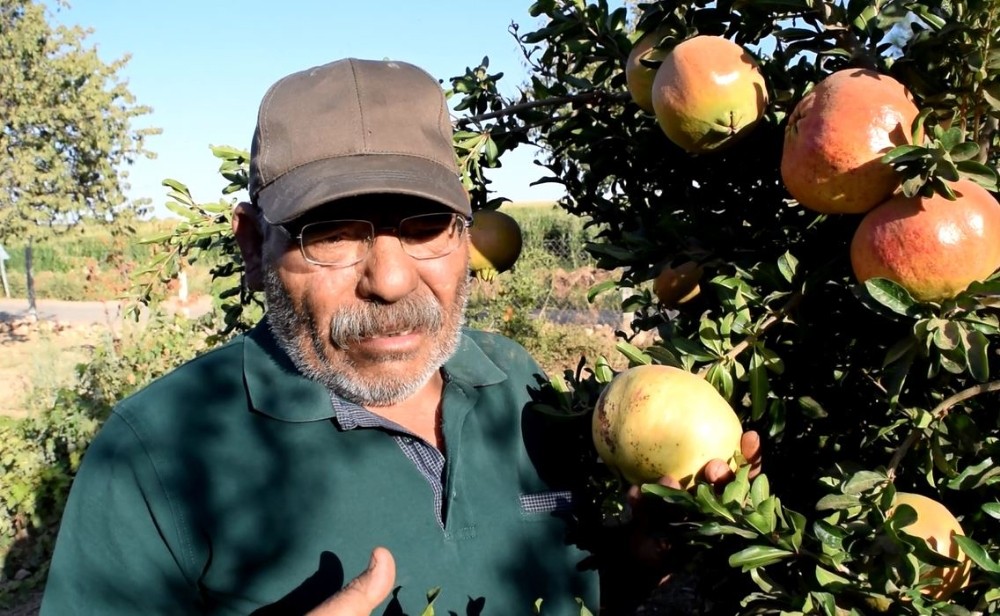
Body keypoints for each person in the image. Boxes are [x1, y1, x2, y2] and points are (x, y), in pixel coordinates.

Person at [40, 57, 759, 615]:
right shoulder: (156, 456)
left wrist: (640, 558)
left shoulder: (520, 386)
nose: (389, 279)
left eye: (423, 227)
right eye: (333, 233)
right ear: (253, 246)